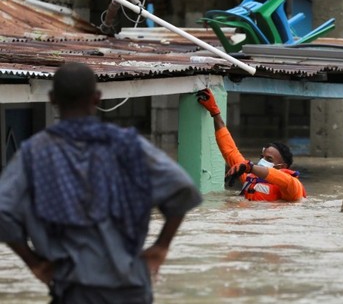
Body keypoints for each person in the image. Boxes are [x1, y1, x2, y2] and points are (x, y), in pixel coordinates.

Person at [0, 63, 203, 303]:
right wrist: (161, 246)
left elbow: (4, 212)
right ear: (96, 98)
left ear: (53, 99)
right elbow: (182, 189)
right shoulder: (129, 146)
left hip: (73, 289)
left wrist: (34, 263)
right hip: (132, 287)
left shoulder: (34, 153)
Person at [196, 88, 306, 201]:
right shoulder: (250, 176)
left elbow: (286, 181)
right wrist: (215, 112)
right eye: (261, 157)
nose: (262, 161)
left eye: (269, 159)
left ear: (282, 166)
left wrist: (251, 167)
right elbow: (230, 150)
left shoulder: (293, 188)